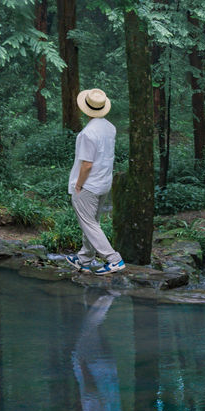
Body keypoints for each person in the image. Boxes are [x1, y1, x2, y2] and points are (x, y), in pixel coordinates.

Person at [65, 88, 125, 275]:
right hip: (104, 182)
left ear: (85, 109)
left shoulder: (87, 133)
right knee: (92, 222)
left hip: (89, 185)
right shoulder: (110, 128)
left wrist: (79, 185)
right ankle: (84, 259)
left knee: (89, 223)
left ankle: (114, 259)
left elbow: (87, 165)